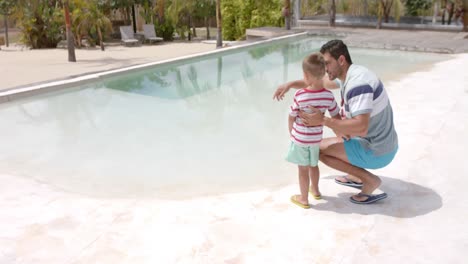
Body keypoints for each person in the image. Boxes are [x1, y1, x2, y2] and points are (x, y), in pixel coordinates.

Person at [274, 40, 398, 204]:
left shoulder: (357, 85)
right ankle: (355, 175)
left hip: (378, 150)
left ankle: (369, 180)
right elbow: (316, 82)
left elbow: (361, 128)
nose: (324, 69)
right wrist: (289, 84)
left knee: (317, 150)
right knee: (326, 139)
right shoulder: (350, 74)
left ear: (341, 60)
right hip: (379, 142)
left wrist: (323, 120)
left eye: (327, 64)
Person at [287, 53, 341, 209]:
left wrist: (292, 133)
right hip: (316, 140)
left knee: (302, 169)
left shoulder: (300, 95)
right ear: (324, 73)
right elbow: (335, 114)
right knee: (313, 165)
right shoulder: (328, 96)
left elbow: (291, 116)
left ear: (306, 76)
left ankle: (303, 198)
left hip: (301, 139)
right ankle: (315, 191)